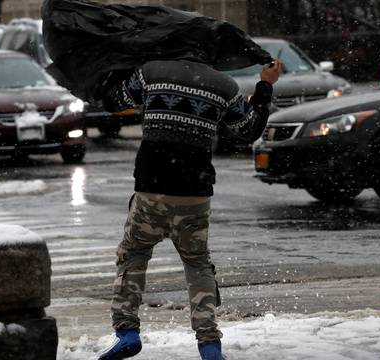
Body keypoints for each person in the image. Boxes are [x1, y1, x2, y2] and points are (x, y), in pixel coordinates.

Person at [98, 58, 283, 360]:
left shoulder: (151, 72)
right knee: (197, 264)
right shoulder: (224, 85)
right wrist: (265, 85)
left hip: (151, 187)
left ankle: (127, 331)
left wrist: (123, 60)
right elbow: (249, 130)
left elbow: (114, 100)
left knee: (133, 254)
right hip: (194, 192)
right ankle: (209, 344)